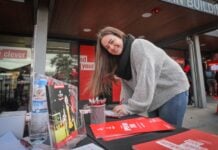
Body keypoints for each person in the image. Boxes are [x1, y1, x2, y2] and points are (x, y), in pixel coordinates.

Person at [88, 26, 190, 127]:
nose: (111, 47)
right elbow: (127, 86)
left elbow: (145, 81)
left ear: (119, 36)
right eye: (107, 47)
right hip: (154, 96)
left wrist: (129, 108)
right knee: (156, 133)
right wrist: (124, 105)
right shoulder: (121, 61)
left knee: (169, 134)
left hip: (172, 90)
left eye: (111, 41)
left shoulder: (139, 46)